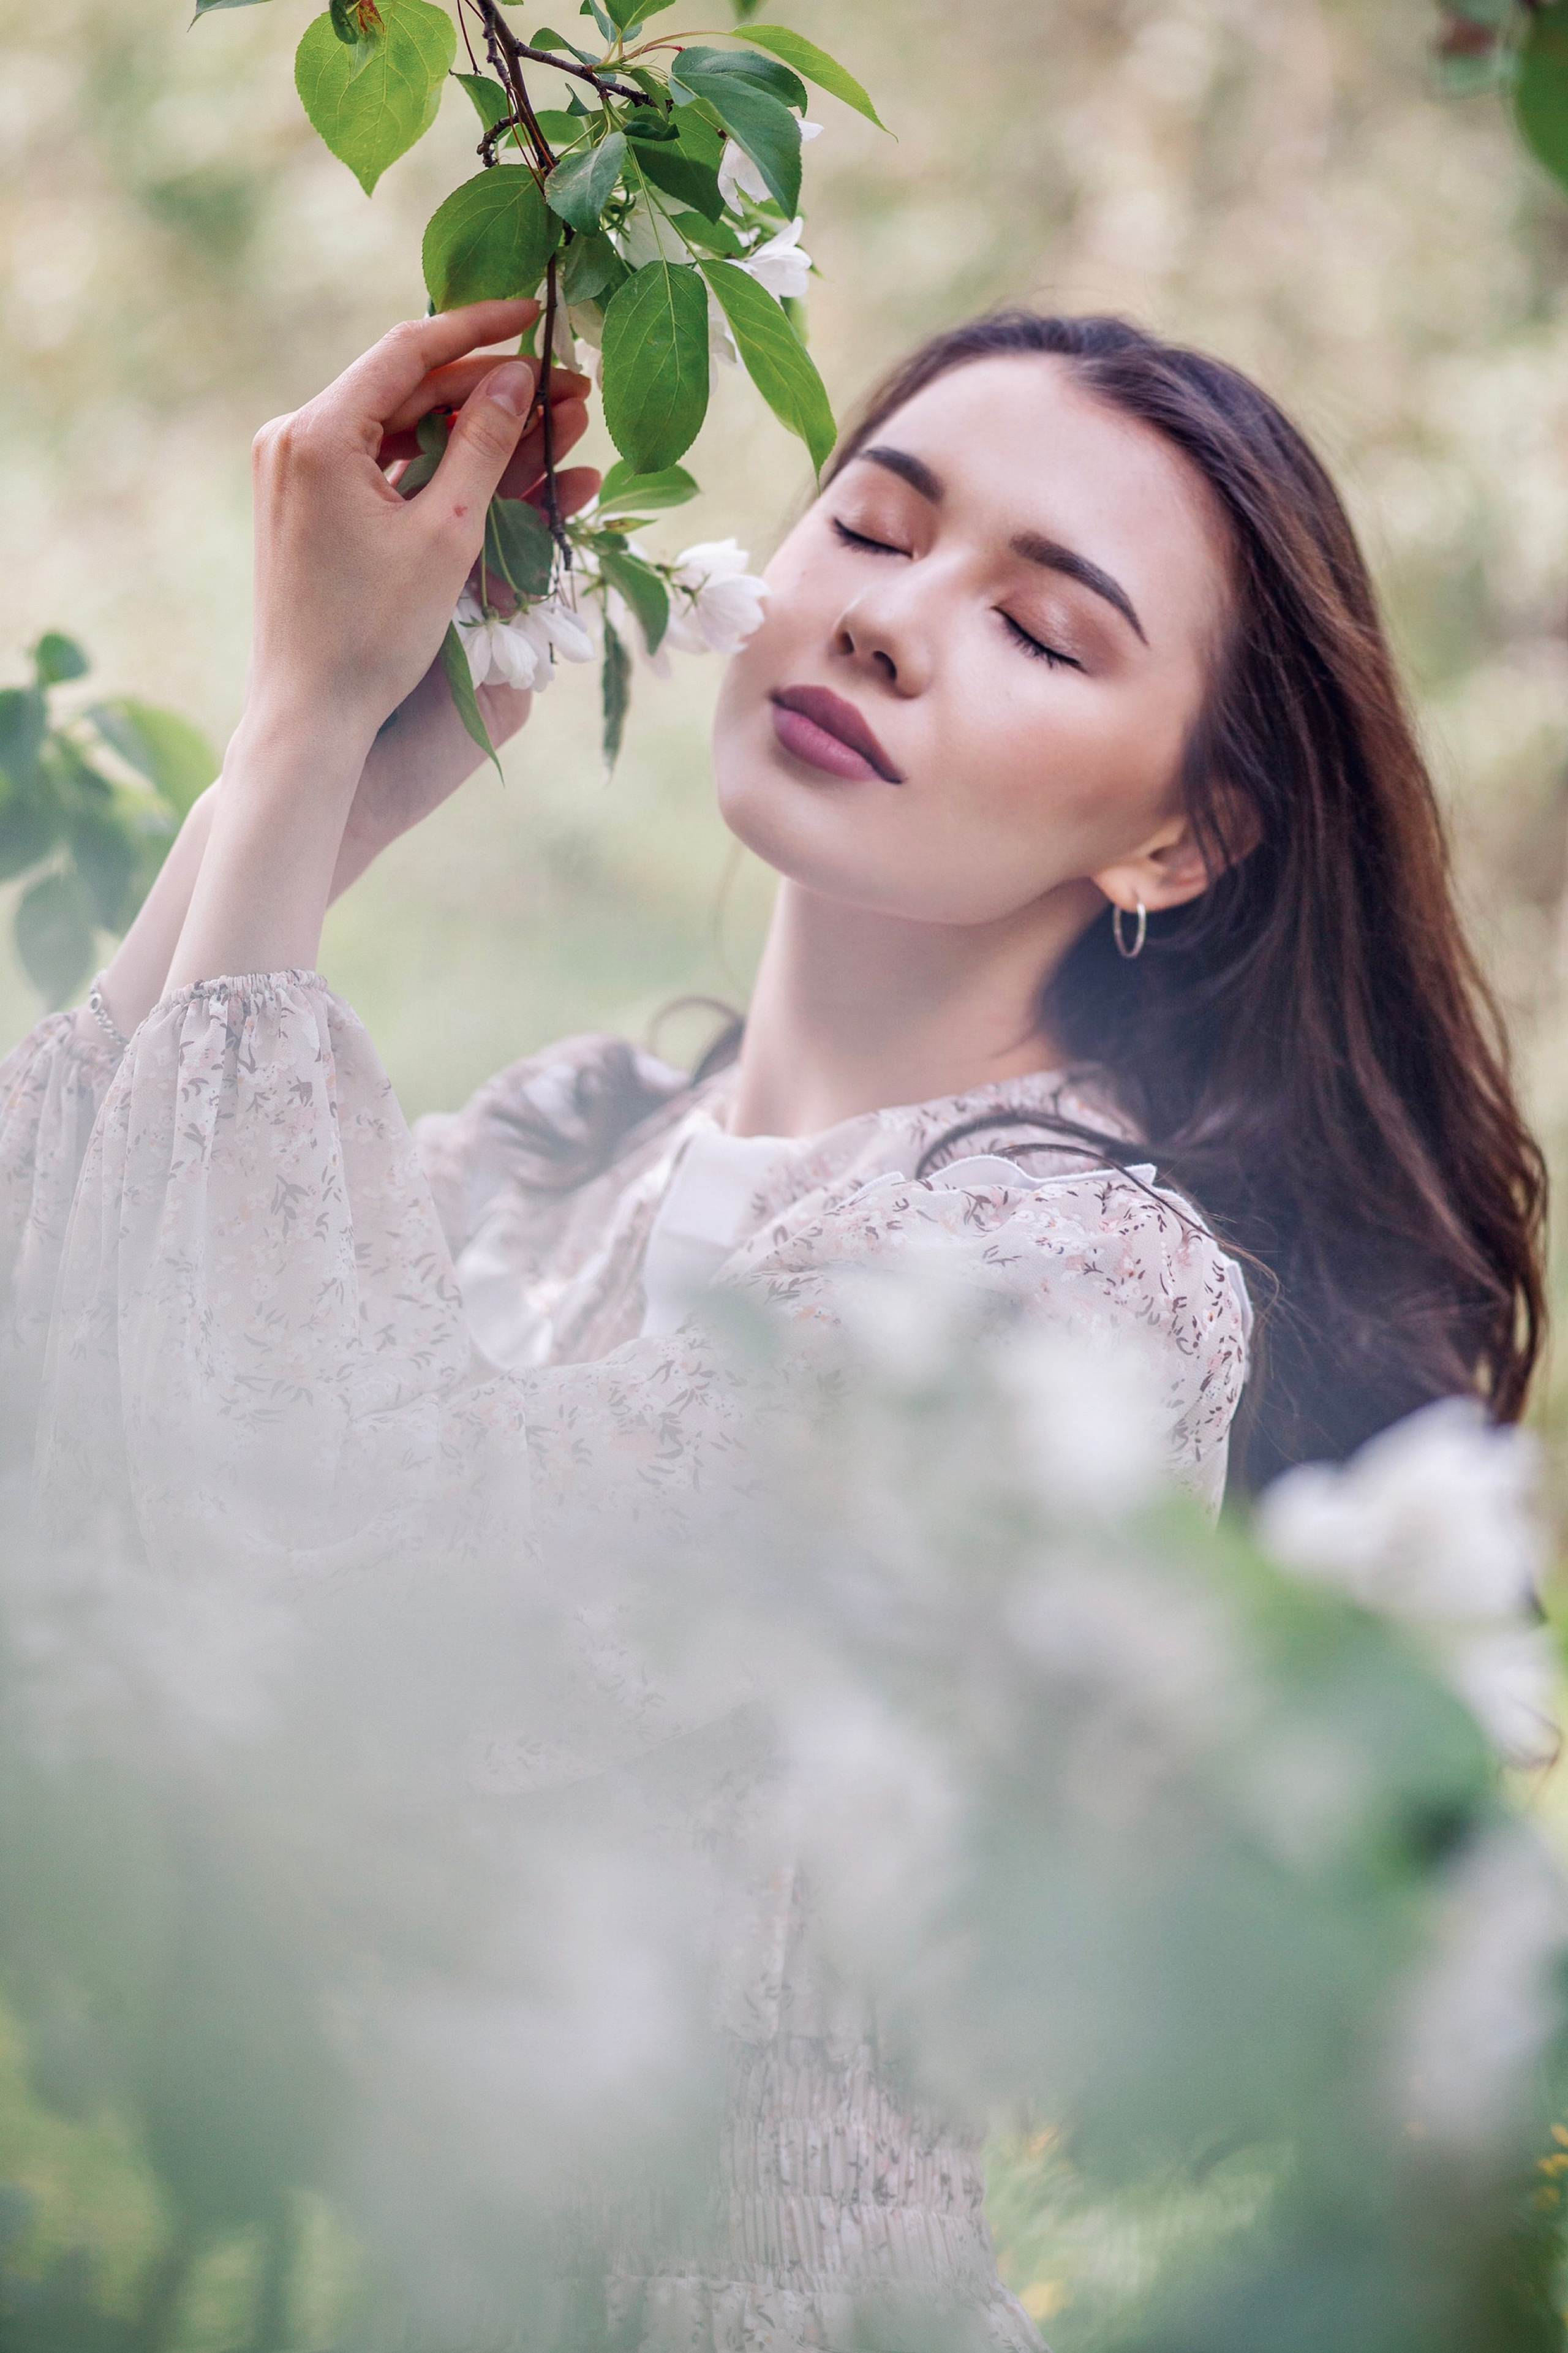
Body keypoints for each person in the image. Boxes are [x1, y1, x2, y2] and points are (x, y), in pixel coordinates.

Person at [0, 297, 1545, 2347]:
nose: (894, 623)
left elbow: (356, 1568)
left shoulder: (1070, 1294)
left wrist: (292, 733)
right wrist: (333, 782)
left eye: (1048, 629)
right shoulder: (578, 1144)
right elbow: (67, 1418)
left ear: (1183, 832)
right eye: (878, 529)